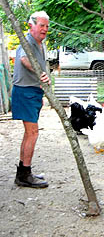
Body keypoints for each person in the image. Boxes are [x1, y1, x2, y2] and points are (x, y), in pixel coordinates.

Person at [11, 11, 51, 188]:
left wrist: (39, 86)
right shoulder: (27, 41)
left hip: (33, 91)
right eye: (41, 25)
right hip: (25, 92)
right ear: (31, 25)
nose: (45, 29)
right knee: (32, 133)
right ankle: (25, 175)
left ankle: (23, 172)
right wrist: (40, 74)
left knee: (30, 133)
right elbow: (24, 59)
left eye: (47, 26)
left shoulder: (39, 43)